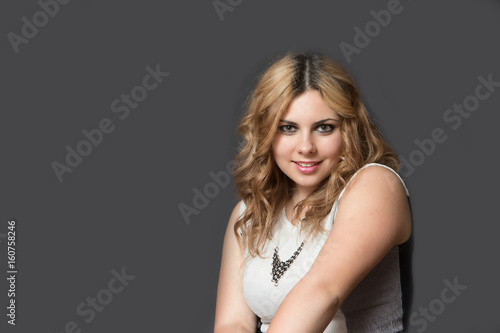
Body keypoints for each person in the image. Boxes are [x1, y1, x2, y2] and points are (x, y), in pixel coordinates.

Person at [214, 51, 413, 333]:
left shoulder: (375, 185)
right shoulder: (249, 213)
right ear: (266, 133)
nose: (306, 147)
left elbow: (321, 293)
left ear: (349, 130)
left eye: (324, 128)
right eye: (288, 128)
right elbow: (232, 323)